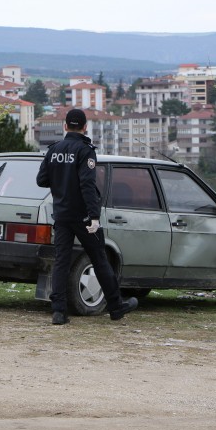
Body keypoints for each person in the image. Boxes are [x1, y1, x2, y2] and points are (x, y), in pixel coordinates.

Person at [36, 108, 137, 325]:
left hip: (61, 215)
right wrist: (94, 216)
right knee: (99, 259)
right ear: (84, 127)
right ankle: (116, 306)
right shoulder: (85, 151)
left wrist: (61, 180)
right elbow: (87, 185)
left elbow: (41, 180)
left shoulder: (54, 150)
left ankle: (59, 312)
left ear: (65, 126)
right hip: (82, 217)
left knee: (61, 261)